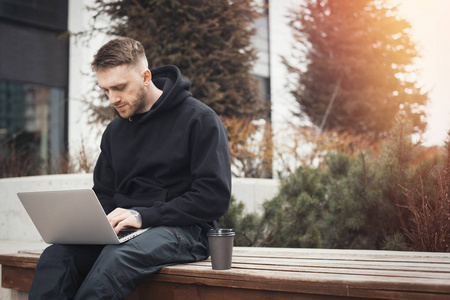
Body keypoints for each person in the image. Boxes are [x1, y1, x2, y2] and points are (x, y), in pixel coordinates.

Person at [29, 37, 232, 299]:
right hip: (123, 231)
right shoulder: (115, 131)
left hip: (185, 230)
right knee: (57, 256)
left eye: (120, 87)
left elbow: (213, 198)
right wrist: (87, 222)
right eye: (105, 90)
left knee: (117, 258)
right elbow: (104, 192)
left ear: (146, 76)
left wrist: (142, 216)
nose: (112, 99)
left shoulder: (200, 120)